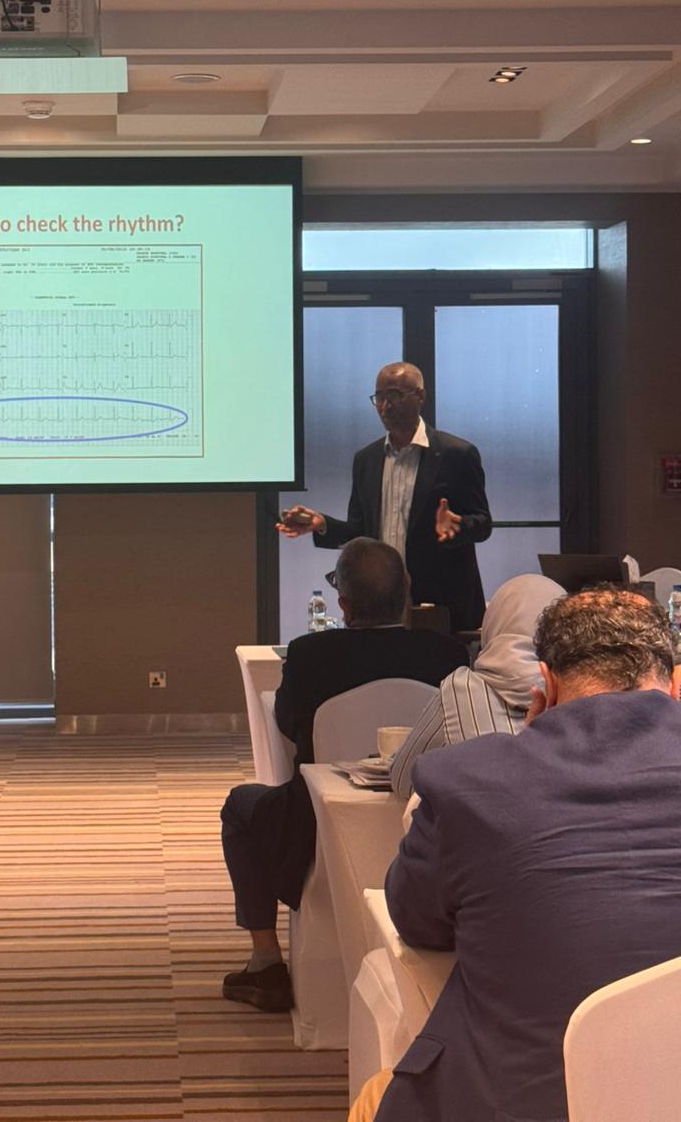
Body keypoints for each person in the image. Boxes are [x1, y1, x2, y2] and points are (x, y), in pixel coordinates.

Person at [361, 587, 681, 1122]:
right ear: (673, 682)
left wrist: (524, 746)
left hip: (519, 1104)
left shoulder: (469, 779)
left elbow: (416, 919)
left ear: (547, 682)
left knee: (375, 1096)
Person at [220, 537, 467, 1014]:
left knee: (240, 806)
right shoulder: (446, 654)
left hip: (313, 820)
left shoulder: (310, 655)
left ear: (344, 603)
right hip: (426, 818)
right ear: (407, 591)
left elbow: (289, 724)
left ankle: (266, 963)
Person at [278, 361, 492, 630]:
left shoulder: (456, 454)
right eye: (379, 397)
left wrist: (457, 526)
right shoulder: (366, 460)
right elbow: (361, 531)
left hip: (439, 604)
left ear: (420, 396)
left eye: (395, 395)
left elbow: (483, 524)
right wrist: (321, 525)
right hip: (379, 604)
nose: (385, 406)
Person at [390, 573, 564, 800]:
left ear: (491, 624)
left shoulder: (459, 689)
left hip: (476, 822)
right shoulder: (581, 694)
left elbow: (403, 779)